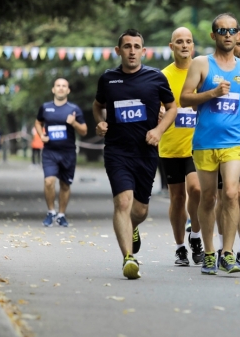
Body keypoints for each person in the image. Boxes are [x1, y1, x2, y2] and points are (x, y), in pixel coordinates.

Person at [94, 29, 177, 280]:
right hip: (117, 151)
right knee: (123, 202)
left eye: (136, 46)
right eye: (127, 46)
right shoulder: (108, 79)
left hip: (146, 152)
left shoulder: (156, 78)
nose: (132, 51)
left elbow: (172, 108)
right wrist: (100, 122)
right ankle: (128, 258)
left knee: (139, 211)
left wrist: (159, 130)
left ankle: (133, 228)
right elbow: (98, 105)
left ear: (143, 51)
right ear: (118, 51)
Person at [180, 13, 240, 275]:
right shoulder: (201, 64)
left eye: (231, 30)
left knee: (232, 193)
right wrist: (212, 93)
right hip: (205, 141)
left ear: (237, 35)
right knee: (208, 196)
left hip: (235, 139)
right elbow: (184, 99)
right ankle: (209, 252)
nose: (227, 35)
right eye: (222, 31)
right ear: (213, 35)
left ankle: (228, 252)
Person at [159, 27, 204, 266]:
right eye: (179, 42)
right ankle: (179, 248)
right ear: (171, 47)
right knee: (176, 197)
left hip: (198, 144)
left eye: (188, 41)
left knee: (196, 189)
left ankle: (195, 235)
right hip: (171, 145)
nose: (185, 45)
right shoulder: (163, 76)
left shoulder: (201, 71)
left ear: (193, 46)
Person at [35, 79, 87, 228]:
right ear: (53, 89)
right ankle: (51, 211)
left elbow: (84, 130)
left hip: (68, 152)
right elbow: (38, 122)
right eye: (58, 86)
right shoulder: (45, 107)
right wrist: (41, 135)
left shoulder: (74, 109)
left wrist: (74, 123)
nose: (61, 88)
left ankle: (61, 214)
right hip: (50, 151)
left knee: (65, 185)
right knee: (49, 181)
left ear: (68, 90)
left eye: (64, 86)